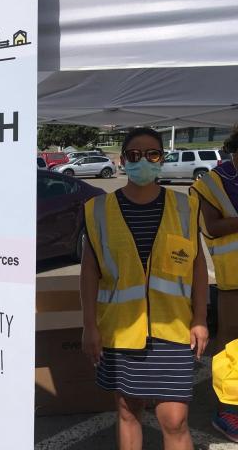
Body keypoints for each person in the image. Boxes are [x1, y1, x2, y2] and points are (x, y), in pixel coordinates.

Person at [81, 127, 209, 450]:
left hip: (174, 329)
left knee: (175, 419)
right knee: (127, 412)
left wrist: (201, 318)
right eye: (134, 155)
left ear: (161, 159)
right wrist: (89, 325)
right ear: (123, 160)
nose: (143, 161)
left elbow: (196, 266)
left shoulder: (185, 207)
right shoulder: (98, 211)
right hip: (121, 331)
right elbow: (89, 270)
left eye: (151, 154)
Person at [190, 128, 238, 442]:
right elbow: (213, 226)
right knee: (230, 342)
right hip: (233, 279)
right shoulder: (210, 182)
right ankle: (228, 408)